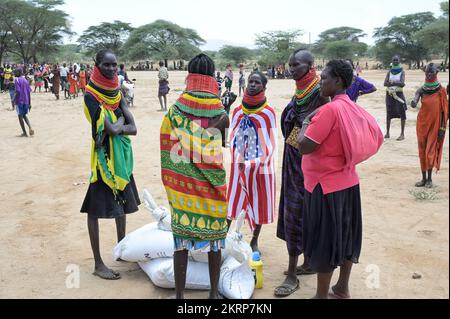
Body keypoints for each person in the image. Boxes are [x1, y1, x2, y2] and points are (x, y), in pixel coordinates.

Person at [297, 59, 383, 299]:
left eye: (324, 78)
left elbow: (304, 146)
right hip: (348, 183)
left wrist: (305, 122)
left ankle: (321, 295)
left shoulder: (330, 110)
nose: (320, 82)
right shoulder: (352, 107)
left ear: (338, 81)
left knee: (324, 239)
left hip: (323, 186)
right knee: (346, 236)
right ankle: (342, 287)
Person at [160, 53, 229, 299]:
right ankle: (212, 293)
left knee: (180, 241)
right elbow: (218, 145)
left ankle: (179, 296)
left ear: (190, 74)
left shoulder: (176, 108)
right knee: (215, 240)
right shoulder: (219, 111)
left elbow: (168, 147)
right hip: (211, 183)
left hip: (183, 185)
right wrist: (219, 124)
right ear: (211, 76)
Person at [80, 49, 139, 280]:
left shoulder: (115, 91)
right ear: (97, 65)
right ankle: (97, 263)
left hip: (121, 159)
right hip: (103, 160)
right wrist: (121, 120)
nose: (112, 69)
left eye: (114, 65)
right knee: (94, 210)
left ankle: (121, 249)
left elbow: (132, 128)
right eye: (106, 65)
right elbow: (116, 128)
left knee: (121, 204)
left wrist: (118, 123)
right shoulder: (91, 95)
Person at [274, 49, 329, 297]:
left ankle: (293, 274)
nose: (291, 69)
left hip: (309, 161)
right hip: (293, 158)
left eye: (296, 65)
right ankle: (304, 263)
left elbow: (321, 123)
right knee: (296, 210)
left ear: (310, 65)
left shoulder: (320, 91)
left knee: (299, 212)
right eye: (290, 65)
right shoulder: (302, 91)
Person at [227, 71, 276, 255]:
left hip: (260, 166)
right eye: (250, 82)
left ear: (264, 87)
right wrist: (238, 158)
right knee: (233, 198)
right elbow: (231, 135)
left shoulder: (268, 113)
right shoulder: (238, 111)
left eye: (257, 82)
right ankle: (224, 235)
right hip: (239, 163)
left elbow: (269, 143)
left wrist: (254, 162)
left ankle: (254, 239)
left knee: (259, 200)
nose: (252, 85)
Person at [410, 63, 448, 188]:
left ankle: (430, 179)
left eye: (431, 73)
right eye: (427, 73)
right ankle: (423, 178)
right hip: (422, 124)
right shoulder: (421, 89)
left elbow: (444, 112)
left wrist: (442, 128)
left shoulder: (441, 90)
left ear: (436, 73)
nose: (429, 75)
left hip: (435, 126)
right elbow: (415, 99)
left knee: (430, 151)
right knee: (422, 151)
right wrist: (413, 102)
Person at [384, 55, 407, 141]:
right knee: (389, 112)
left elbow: (402, 83)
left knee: (402, 112)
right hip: (389, 94)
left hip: (399, 94)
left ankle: (402, 134)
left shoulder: (402, 71)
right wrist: (396, 82)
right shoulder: (389, 71)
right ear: (392, 61)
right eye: (394, 60)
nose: (395, 62)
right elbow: (384, 83)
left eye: (397, 60)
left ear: (399, 61)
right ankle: (387, 133)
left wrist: (392, 82)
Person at [13, 68, 34, 137]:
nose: (14, 73)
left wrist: (14, 99)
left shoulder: (17, 80)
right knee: (24, 115)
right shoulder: (25, 80)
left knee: (20, 116)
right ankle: (30, 127)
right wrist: (30, 103)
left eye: (15, 72)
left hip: (19, 101)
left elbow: (17, 91)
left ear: (19, 73)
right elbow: (29, 92)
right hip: (26, 101)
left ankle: (24, 133)